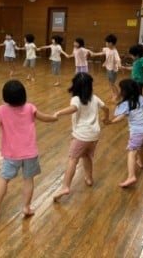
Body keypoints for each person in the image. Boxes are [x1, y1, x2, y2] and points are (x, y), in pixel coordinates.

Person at [0, 80, 57, 217]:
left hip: (11, 154)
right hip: (30, 153)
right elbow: (45, 118)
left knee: (4, 179)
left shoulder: (2, 110)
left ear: (5, 97)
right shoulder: (30, 108)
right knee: (28, 179)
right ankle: (26, 207)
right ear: (23, 95)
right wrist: (54, 117)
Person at [52, 73, 110, 202]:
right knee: (87, 156)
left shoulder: (76, 99)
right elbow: (106, 108)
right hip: (94, 135)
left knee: (73, 159)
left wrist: (59, 112)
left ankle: (65, 187)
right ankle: (89, 178)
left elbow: (73, 108)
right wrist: (106, 117)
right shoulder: (95, 98)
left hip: (81, 136)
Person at [105, 79, 143, 188]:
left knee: (131, 152)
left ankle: (131, 176)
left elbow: (120, 117)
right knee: (140, 146)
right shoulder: (141, 99)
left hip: (137, 132)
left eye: (121, 89)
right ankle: (141, 162)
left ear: (125, 92)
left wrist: (111, 122)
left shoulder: (126, 104)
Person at [90, 34, 121, 100]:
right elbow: (102, 53)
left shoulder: (115, 51)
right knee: (110, 83)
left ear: (111, 43)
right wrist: (94, 54)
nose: (105, 43)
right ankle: (115, 94)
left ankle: (117, 94)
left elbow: (118, 59)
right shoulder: (107, 49)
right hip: (108, 68)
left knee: (112, 83)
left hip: (113, 70)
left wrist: (119, 64)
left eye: (106, 42)